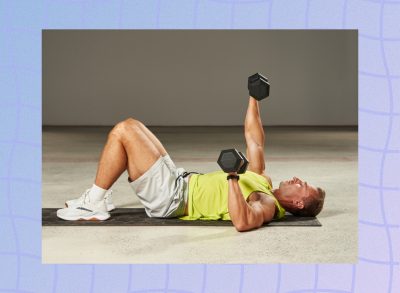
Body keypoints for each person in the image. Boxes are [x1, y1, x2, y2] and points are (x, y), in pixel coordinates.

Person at [57, 96, 325, 232]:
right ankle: (98, 197)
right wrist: (254, 98)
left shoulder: (268, 204)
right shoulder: (263, 180)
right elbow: (255, 141)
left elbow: (243, 222)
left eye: (303, 186)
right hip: (180, 179)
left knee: (124, 130)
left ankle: (93, 202)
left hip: (172, 198)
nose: (297, 179)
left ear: (298, 204)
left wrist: (232, 177)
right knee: (133, 125)